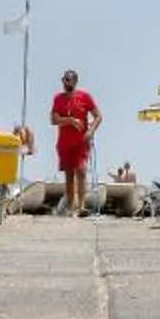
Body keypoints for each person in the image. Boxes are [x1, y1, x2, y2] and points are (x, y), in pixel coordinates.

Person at [49, 68, 100, 218]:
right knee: (69, 175)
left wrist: (91, 131)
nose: (64, 82)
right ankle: (71, 206)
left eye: (67, 80)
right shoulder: (58, 98)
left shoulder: (85, 97)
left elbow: (98, 116)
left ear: (75, 81)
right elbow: (53, 119)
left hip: (81, 142)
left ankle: (82, 206)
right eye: (63, 80)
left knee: (82, 171)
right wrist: (70, 120)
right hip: (64, 143)